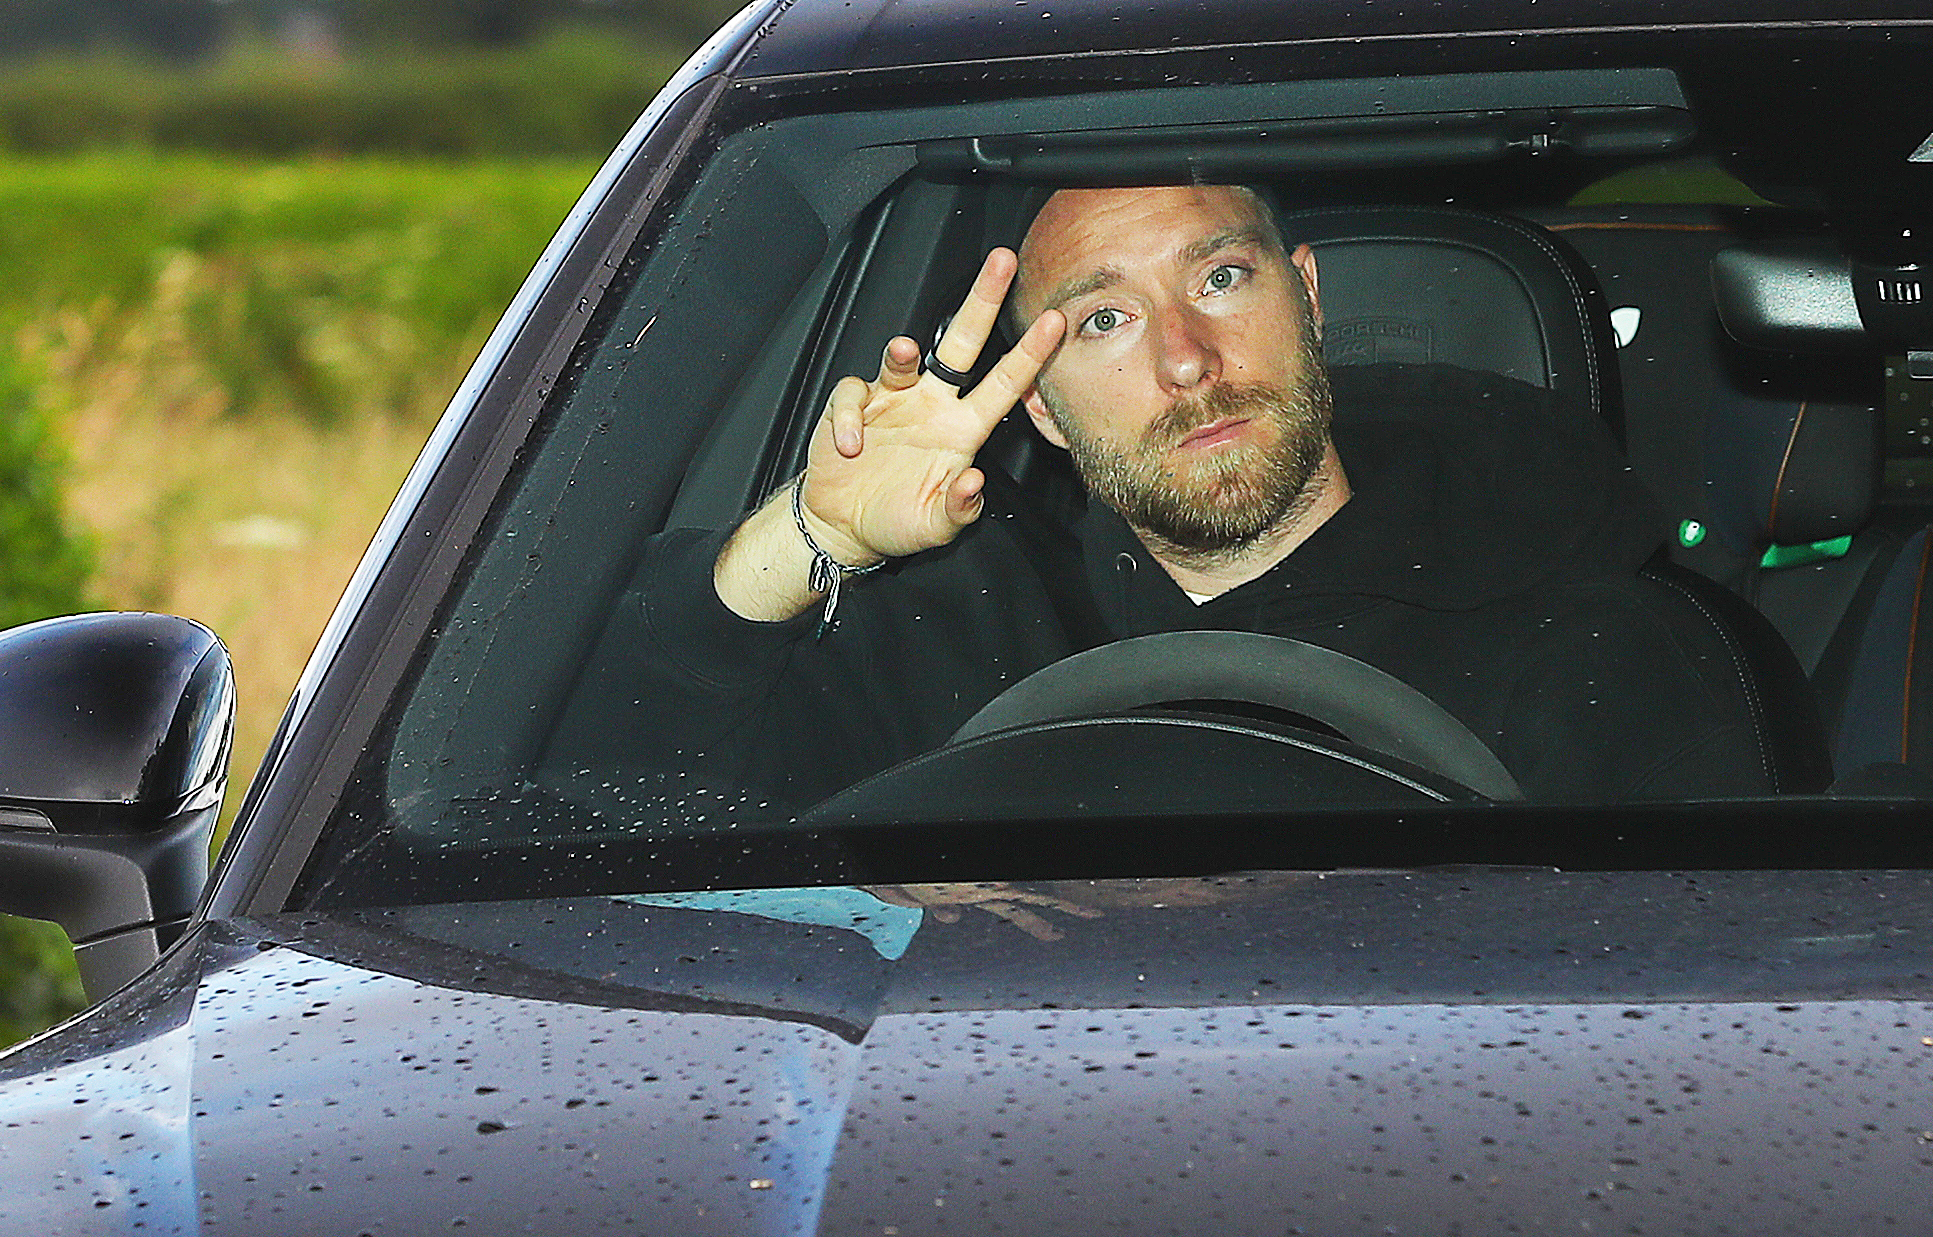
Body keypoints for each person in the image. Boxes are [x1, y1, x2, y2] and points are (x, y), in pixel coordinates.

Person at [555, 181, 1774, 808]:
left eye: (1224, 277)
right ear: (1038, 405)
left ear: (1308, 298)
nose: (1184, 360)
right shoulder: (944, 630)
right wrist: (809, 535)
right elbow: (586, 813)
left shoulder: (1602, 646)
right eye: (1101, 319)